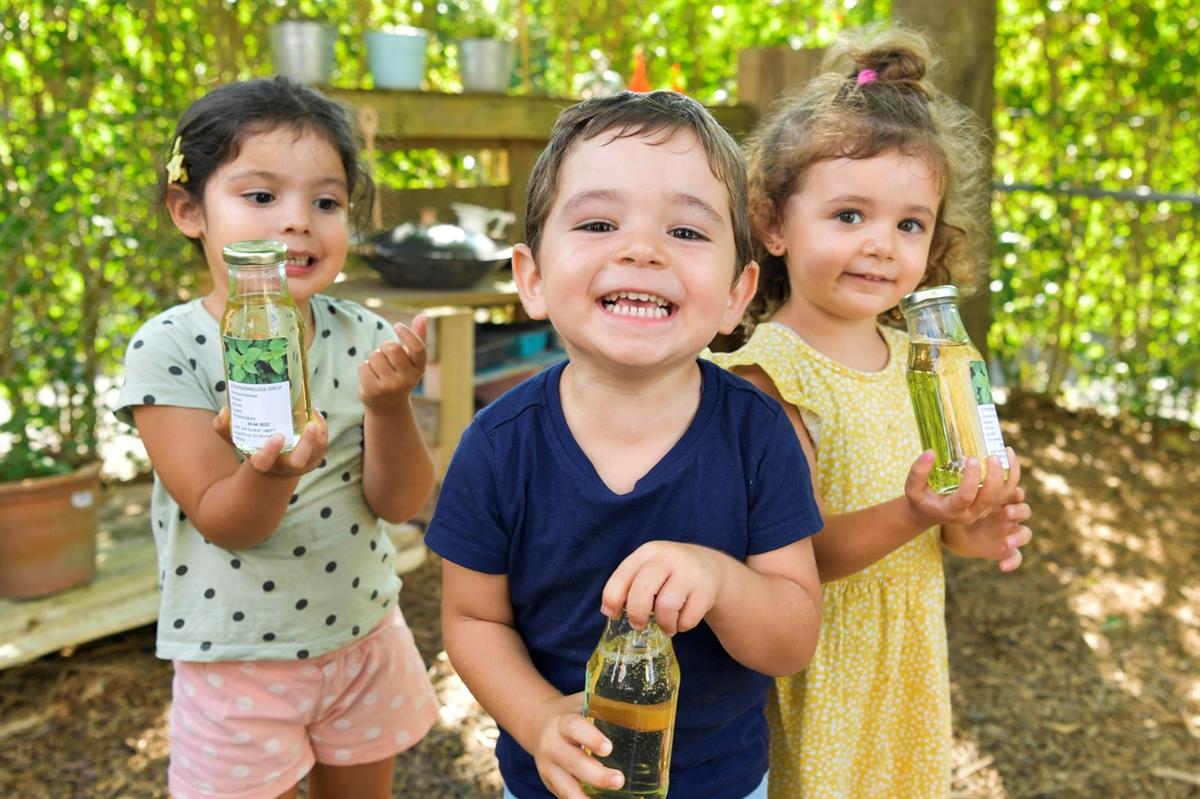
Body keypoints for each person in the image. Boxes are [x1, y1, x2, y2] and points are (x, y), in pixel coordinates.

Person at [425, 91, 824, 799]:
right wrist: (536, 715)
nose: (642, 249)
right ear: (533, 278)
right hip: (556, 781)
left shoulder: (759, 435)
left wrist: (723, 581)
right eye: (600, 222)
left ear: (738, 293)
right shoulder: (495, 447)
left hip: (723, 785)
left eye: (688, 232)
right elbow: (472, 617)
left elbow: (791, 640)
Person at [707, 26, 1035, 799]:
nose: (881, 244)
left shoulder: (924, 361)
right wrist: (917, 511)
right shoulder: (765, 376)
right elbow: (797, 553)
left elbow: (939, 513)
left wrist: (968, 525)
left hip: (905, 657)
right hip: (823, 664)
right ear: (774, 222)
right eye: (849, 215)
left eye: (909, 223)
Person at [115, 77, 439, 799]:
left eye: (326, 202)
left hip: (362, 635)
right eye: (261, 196)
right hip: (237, 660)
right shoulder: (168, 349)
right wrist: (272, 470)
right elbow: (225, 520)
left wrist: (390, 409)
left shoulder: (365, 335)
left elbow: (401, 501)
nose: (298, 221)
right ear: (188, 209)